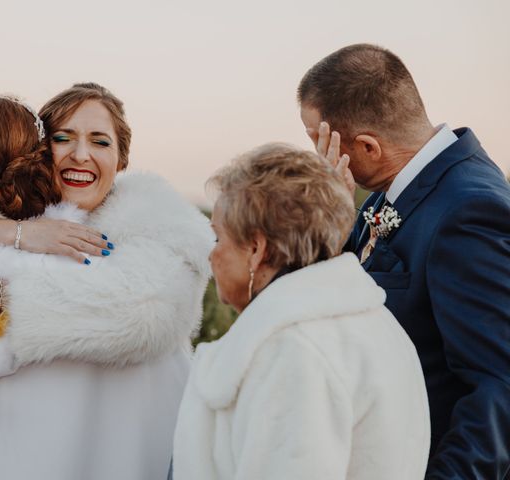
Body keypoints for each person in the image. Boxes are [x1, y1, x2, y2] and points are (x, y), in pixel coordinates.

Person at [0, 84, 213, 480]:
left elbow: (146, 310)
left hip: (123, 440)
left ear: (121, 159)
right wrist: (7, 233)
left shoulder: (150, 216)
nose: (80, 155)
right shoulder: (6, 212)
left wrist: (2, 295)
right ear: (36, 152)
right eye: (63, 139)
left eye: (100, 142)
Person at [298, 44, 510, 478]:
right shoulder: (386, 193)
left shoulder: (469, 212)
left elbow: (499, 385)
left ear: (368, 147)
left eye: (318, 140)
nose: (317, 156)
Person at [172, 143, 430, 479]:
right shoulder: (373, 322)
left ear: (255, 249)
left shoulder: (293, 351)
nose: (212, 254)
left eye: (218, 237)